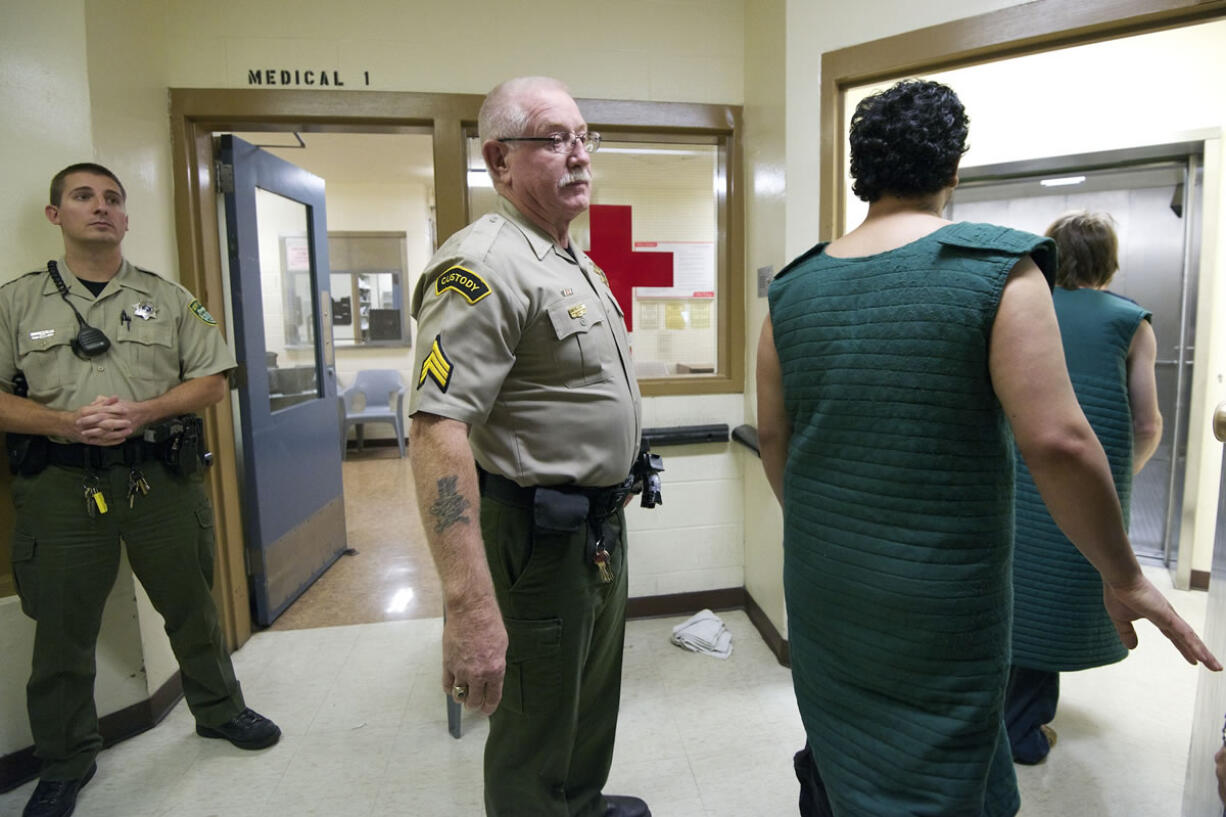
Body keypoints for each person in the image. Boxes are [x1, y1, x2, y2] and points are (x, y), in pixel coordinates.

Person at [755, 79, 1219, 817]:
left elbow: (777, 437)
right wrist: (1122, 572)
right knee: (937, 765)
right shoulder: (995, 270)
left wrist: (835, 534)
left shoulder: (794, 288)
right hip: (939, 595)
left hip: (823, 585)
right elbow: (1060, 441)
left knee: (841, 742)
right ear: (953, 169)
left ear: (860, 169)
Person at [0, 163, 280, 817]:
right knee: (62, 631)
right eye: (82, 196)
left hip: (159, 477)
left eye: (112, 199)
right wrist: (65, 421)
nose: (100, 207)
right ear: (55, 214)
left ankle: (219, 710)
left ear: (126, 218)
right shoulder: (15, 302)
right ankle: (65, 760)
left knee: (193, 606)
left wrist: (143, 412)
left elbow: (213, 380)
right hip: (61, 486)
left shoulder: (171, 296)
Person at [407, 77, 651, 817]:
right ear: (498, 159)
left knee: (585, 697)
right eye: (553, 139)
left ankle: (578, 803)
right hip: (534, 537)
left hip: (596, 528)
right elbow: (435, 429)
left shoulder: (568, 257)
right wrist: (469, 603)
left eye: (583, 136)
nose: (578, 155)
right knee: (533, 718)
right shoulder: (483, 263)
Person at [1005, 211, 1163, 764]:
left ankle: (991, 717)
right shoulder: (1130, 322)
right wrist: (1114, 479)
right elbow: (1146, 424)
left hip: (1012, 474)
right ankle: (1021, 731)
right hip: (1079, 480)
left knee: (1012, 590)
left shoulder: (1020, 306)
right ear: (1109, 260)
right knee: (1053, 597)